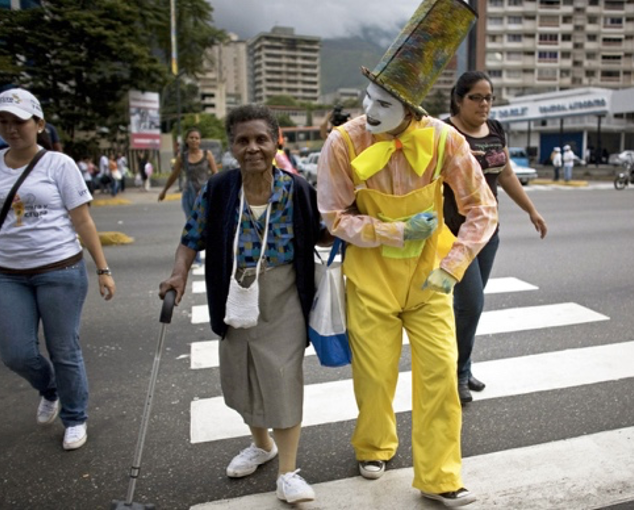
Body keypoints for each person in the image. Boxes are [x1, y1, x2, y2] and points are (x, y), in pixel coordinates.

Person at [316, 0, 495, 505]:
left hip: (428, 280)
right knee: (374, 375)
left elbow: (482, 208)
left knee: (440, 374)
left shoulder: (443, 141)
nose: (370, 111)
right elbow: (331, 218)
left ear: (412, 110)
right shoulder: (343, 144)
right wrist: (393, 231)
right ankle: (374, 443)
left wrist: (453, 266)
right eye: (368, 98)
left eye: (385, 104)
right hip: (369, 279)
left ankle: (440, 476)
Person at [159, 104, 327, 504]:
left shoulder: (297, 189)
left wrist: (357, 223)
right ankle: (261, 445)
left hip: (284, 291)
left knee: (282, 376)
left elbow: (322, 232)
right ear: (233, 146)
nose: (253, 148)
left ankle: (288, 471)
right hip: (234, 290)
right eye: (243, 140)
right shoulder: (218, 189)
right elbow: (191, 238)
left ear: (276, 142)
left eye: (261, 139)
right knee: (243, 375)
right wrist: (179, 273)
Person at [0, 88, 116, 451]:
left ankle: (75, 416)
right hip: (8, 274)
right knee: (16, 352)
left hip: (60, 269)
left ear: (38, 123)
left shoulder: (59, 165)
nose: (11, 129)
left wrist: (103, 269)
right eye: (3, 121)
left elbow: (83, 220)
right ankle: (50, 388)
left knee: (64, 350)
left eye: (19, 121)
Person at [445, 71, 548, 404]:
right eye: (476, 97)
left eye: (489, 97)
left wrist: (531, 210)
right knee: (471, 304)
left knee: (469, 309)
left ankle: (463, 366)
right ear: (459, 99)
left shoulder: (496, 130)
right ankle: (457, 373)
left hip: (489, 232)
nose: (484, 104)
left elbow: (505, 174)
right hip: (454, 235)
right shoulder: (444, 132)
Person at [158, 127, 218, 265]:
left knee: (208, 225)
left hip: (205, 194)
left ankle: (212, 254)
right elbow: (174, 175)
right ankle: (195, 259)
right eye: (191, 137)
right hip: (189, 194)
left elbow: (215, 174)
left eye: (197, 138)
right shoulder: (182, 157)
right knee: (192, 225)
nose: (194, 140)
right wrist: (164, 191)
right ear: (186, 140)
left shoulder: (207, 154)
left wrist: (216, 191)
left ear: (200, 140)